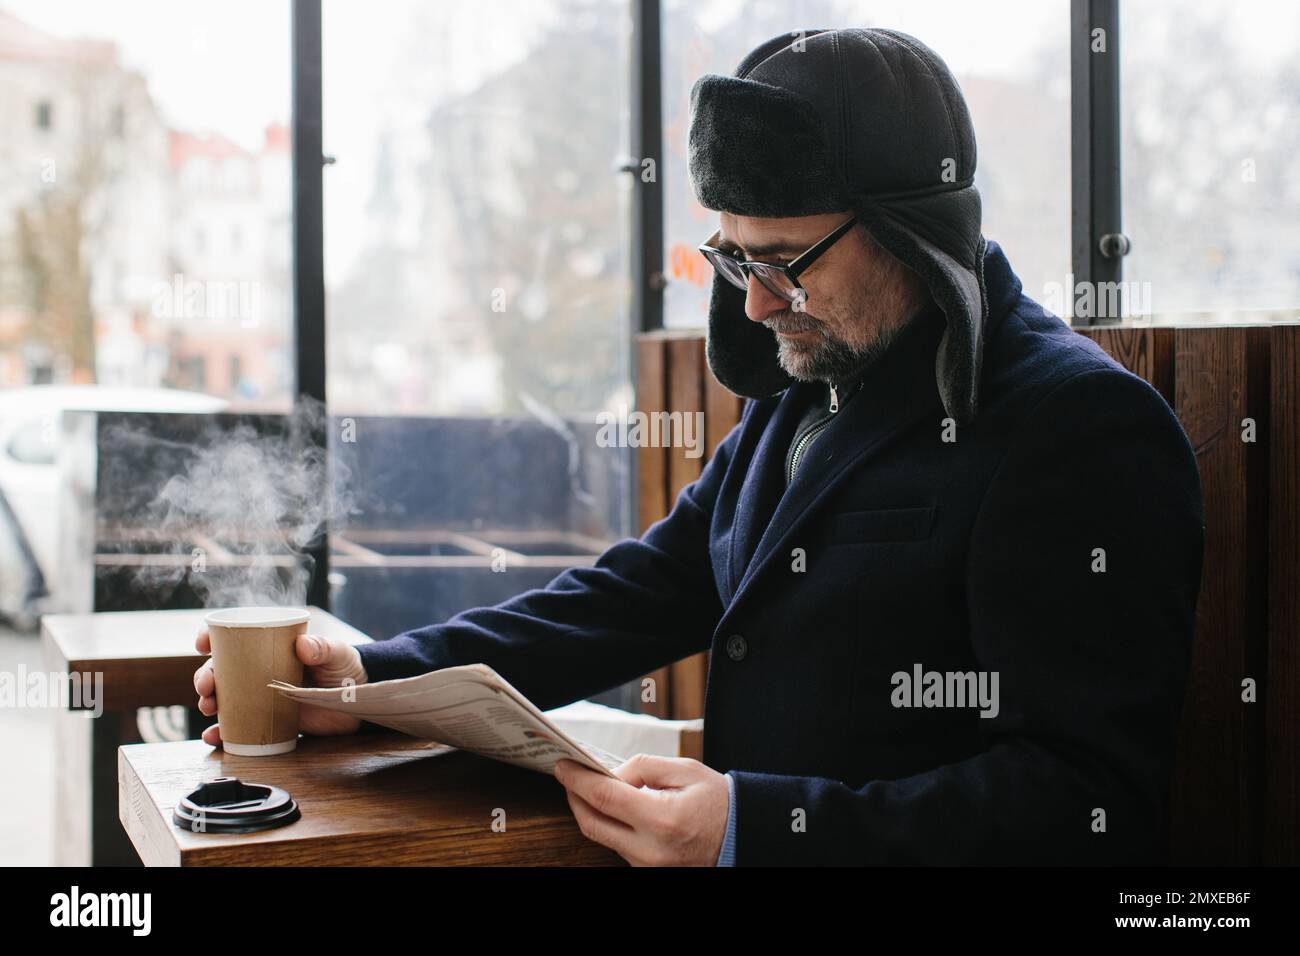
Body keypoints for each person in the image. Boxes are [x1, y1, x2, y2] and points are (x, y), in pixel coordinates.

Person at [194, 28, 1204, 866]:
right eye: (732, 256)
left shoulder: (1078, 429)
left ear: (912, 232)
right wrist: (371, 684)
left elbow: (1087, 800)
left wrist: (759, 827)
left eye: (784, 262)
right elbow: (638, 590)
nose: (757, 304)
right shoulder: (812, 376)